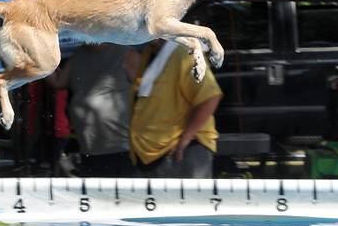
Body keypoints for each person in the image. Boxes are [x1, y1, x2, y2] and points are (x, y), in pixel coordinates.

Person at [129, 40, 223, 178]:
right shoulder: (149, 54)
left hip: (180, 154)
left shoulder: (184, 53)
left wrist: (185, 139)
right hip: (151, 156)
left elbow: (210, 97)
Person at [47, 42, 139, 177]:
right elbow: (58, 81)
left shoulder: (126, 54)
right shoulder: (78, 55)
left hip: (122, 153)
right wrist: (37, 58)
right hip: (88, 152)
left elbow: (150, 94)